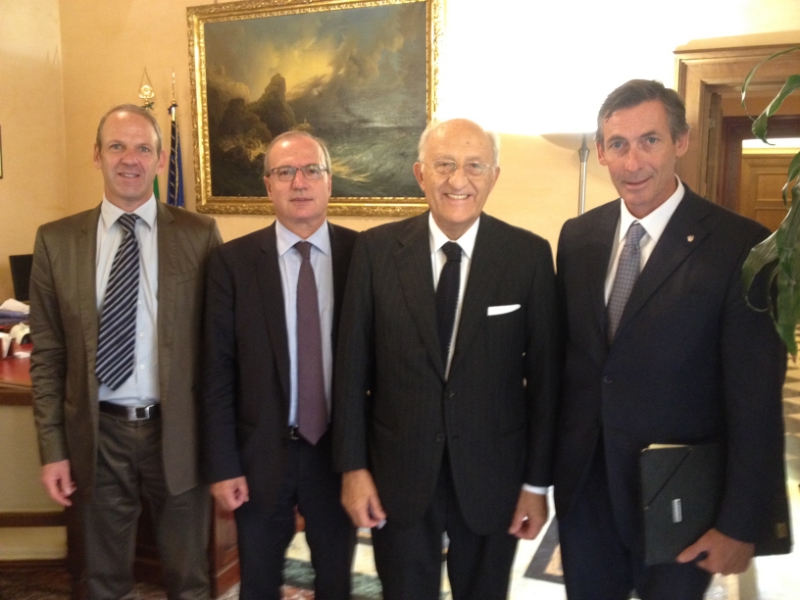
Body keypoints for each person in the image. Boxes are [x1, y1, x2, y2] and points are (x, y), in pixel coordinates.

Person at [554, 79, 789, 600]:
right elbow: (573, 364)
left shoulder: (744, 247)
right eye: (618, 144)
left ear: (681, 141)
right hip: (587, 492)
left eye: (650, 140)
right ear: (600, 151)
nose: (633, 161)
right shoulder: (577, 237)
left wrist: (740, 523)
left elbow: (755, 400)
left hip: (682, 494)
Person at [333, 118, 559, 600]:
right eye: (444, 165)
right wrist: (353, 469)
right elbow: (351, 371)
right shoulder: (375, 251)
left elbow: (545, 384)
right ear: (420, 174)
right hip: (398, 474)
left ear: (494, 176)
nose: (459, 180)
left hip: (493, 476)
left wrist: (537, 486)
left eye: (475, 166)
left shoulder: (529, 256)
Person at [30, 104, 222, 599]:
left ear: (161, 160)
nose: (129, 159)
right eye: (117, 146)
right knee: (100, 580)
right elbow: (48, 357)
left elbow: (221, 350)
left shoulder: (200, 235)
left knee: (190, 579)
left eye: (143, 148)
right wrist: (53, 451)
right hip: (97, 436)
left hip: (179, 434)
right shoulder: (56, 241)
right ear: (97, 155)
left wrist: (224, 447)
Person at [202, 131, 358, 600]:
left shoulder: (363, 256)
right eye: (285, 172)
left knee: (337, 581)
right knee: (258, 583)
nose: (299, 182)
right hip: (260, 457)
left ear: (329, 182)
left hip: (339, 455)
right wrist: (223, 465)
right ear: (268, 185)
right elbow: (216, 373)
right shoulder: (230, 263)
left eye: (311, 170)